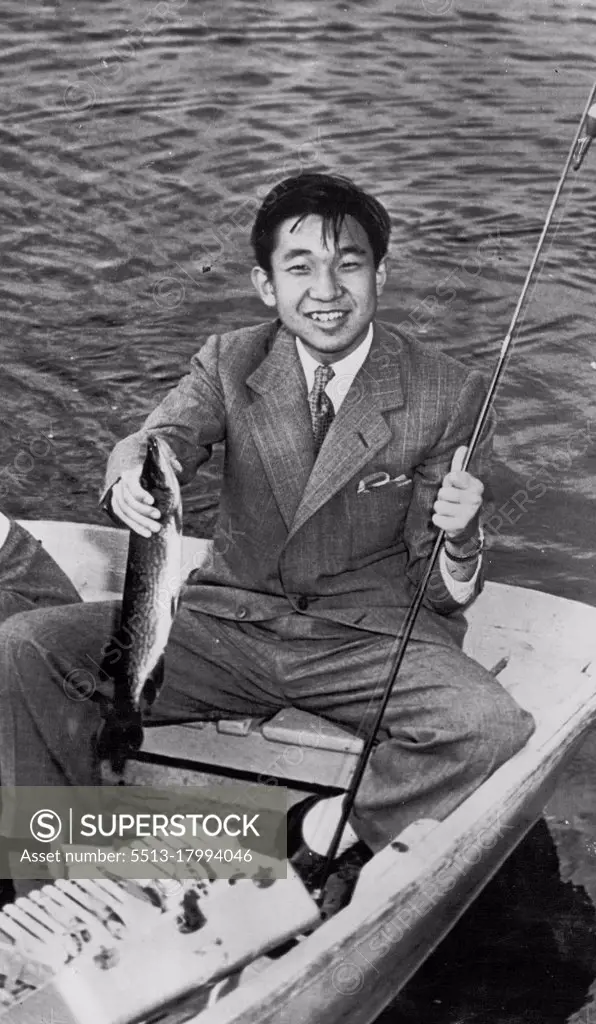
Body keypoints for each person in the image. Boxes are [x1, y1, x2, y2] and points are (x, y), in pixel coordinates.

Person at [0, 172, 534, 890]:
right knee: (25, 648)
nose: (326, 290)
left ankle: (324, 834)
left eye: (348, 264)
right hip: (230, 628)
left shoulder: (449, 392)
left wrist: (463, 536)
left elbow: (439, 594)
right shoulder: (230, 359)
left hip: (366, 641)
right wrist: (132, 471)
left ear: (381, 273)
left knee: (489, 726)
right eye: (299, 267)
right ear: (264, 284)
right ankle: (59, 873)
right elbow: (161, 438)